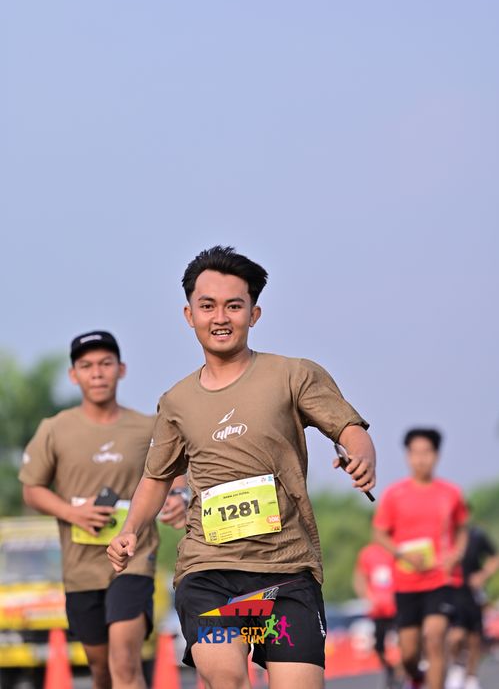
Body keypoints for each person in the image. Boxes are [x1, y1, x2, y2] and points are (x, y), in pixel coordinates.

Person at [107, 245, 376, 689]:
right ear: (189, 314)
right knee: (226, 673)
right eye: (207, 306)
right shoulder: (176, 402)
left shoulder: (293, 375)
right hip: (210, 573)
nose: (220, 317)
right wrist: (130, 529)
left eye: (234, 306)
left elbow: (348, 428)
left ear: (254, 314)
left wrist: (361, 455)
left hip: (286, 573)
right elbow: (156, 477)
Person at [19, 331, 187, 689]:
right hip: (81, 568)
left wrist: (179, 497)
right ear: (73, 374)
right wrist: (73, 513)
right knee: (101, 670)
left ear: (121, 369)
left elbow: (174, 475)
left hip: (132, 561)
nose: (97, 373)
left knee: (125, 660)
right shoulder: (54, 429)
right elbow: (32, 490)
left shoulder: (147, 427)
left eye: (105, 363)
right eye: (87, 366)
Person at [373, 429, 468, 689]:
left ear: (436, 455)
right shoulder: (394, 494)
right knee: (409, 654)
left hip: (441, 579)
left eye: (426, 452)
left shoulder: (450, 493)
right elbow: (379, 533)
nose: (420, 459)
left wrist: (457, 554)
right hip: (406, 582)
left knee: (435, 638)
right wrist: (401, 554)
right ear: (407, 456)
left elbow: (462, 528)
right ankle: (415, 676)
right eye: (414, 453)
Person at [446, 520, 499, 689]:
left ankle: (471, 676)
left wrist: (483, 575)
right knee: (456, 636)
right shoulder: (444, 535)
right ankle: (457, 665)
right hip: (450, 592)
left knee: (474, 638)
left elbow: (495, 557)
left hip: (472, 593)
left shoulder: (477, 536)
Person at [353, 542, 400, 688]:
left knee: (404, 644)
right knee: (379, 647)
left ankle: (402, 674)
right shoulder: (368, 553)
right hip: (378, 610)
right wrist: (367, 597)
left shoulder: (397, 549)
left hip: (398, 608)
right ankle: (390, 670)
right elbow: (359, 578)